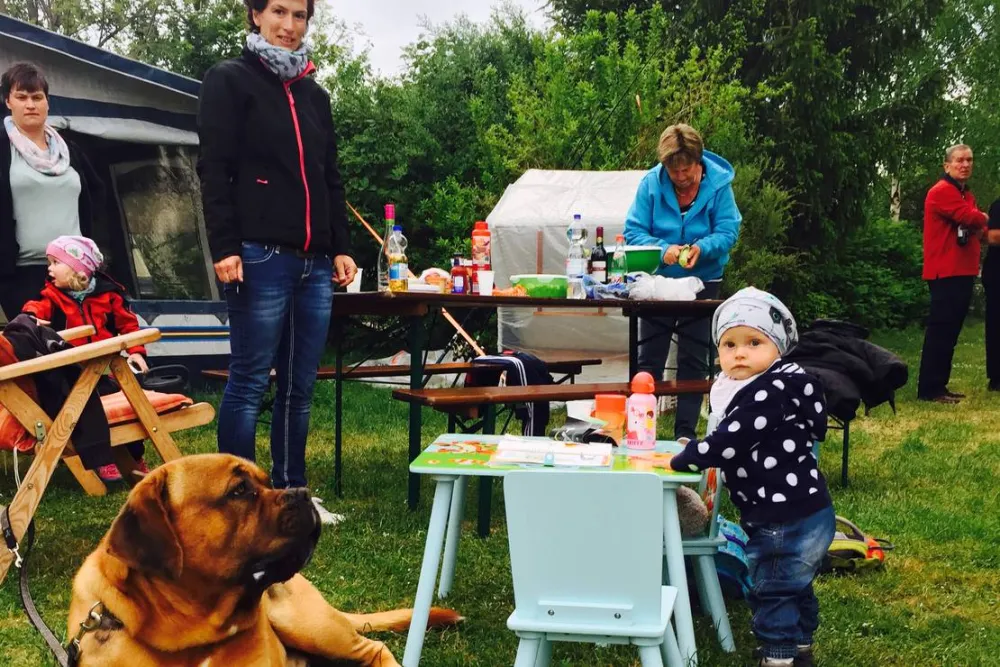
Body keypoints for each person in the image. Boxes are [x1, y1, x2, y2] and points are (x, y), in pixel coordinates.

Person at [197, 0, 356, 497]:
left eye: (300, 16)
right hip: (258, 256)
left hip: (314, 264)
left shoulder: (316, 96)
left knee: (299, 388)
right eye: (279, 13)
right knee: (248, 383)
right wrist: (224, 246)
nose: (289, 26)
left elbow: (329, 178)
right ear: (255, 16)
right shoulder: (229, 80)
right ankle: (237, 502)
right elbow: (213, 169)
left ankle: (291, 496)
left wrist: (340, 247)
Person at [670, 287, 834, 667]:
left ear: (778, 346)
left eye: (754, 342)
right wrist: (699, 446)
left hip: (784, 516)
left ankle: (778, 657)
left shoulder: (772, 391)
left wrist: (691, 456)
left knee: (774, 586)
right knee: (795, 583)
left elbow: (732, 439)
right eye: (729, 344)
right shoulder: (765, 385)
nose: (739, 352)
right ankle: (801, 646)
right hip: (802, 509)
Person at [624, 123, 742, 441]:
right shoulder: (650, 185)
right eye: (673, 170)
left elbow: (729, 231)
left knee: (694, 356)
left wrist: (702, 248)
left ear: (698, 162)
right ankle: (638, 430)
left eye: (686, 169)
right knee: (649, 355)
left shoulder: (719, 187)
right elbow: (634, 231)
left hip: (704, 280)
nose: (681, 177)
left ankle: (685, 434)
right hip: (658, 284)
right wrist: (666, 252)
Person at [21, 235, 149, 481]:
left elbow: (129, 327)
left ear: (77, 268)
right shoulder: (52, 295)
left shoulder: (110, 294)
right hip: (73, 372)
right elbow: (37, 306)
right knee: (85, 405)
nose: (49, 269)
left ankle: (133, 456)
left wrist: (136, 352)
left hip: (106, 368)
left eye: (55, 262)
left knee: (130, 401)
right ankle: (103, 459)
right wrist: (30, 316)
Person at [1, 62, 104, 320]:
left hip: (78, 274)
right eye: (21, 97)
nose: (30, 105)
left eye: (37, 97)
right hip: (22, 276)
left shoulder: (71, 151)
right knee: (42, 354)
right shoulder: (2, 150)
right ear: (7, 102)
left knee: (85, 355)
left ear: (48, 103)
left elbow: (97, 198)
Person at [917, 144, 989, 403]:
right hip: (945, 272)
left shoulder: (964, 193)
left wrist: (977, 218)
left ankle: (939, 385)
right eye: (959, 160)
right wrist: (981, 216)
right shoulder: (942, 191)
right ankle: (929, 389)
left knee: (950, 332)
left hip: (962, 271)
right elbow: (970, 218)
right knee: (941, 331)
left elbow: (973, 222)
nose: (965, 165)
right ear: (946, 165)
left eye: (969, 160)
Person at [985, 197, 1000, 392]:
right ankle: (996, 377)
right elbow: (991, 236)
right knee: (997, 325)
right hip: (998, 274)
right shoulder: (998, 206)